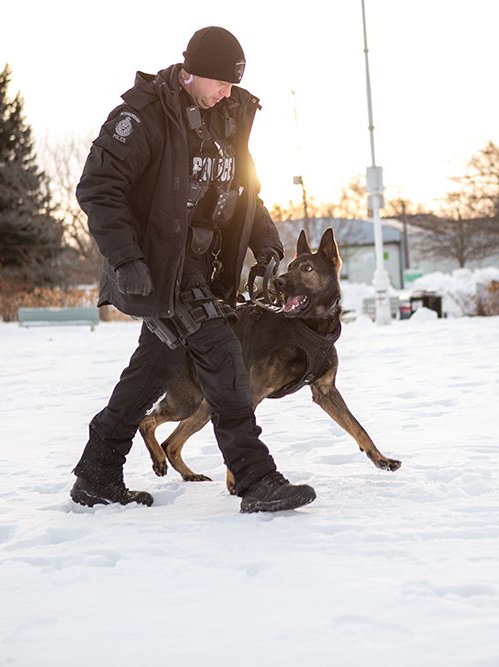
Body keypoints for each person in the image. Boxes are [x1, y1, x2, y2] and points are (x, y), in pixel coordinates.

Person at [70, 26, 315, 513]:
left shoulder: (228, 118)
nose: (228, 92)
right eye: (220, 82)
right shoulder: (142, 117)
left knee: (154, 368)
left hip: (205, 267)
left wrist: (267, 246)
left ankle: (98, 472)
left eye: (233, 84)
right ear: (191, 72)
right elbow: (98, 188)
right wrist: (126, 258)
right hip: (160, 266)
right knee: (224, 356)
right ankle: (254, 477)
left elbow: (247, 193)